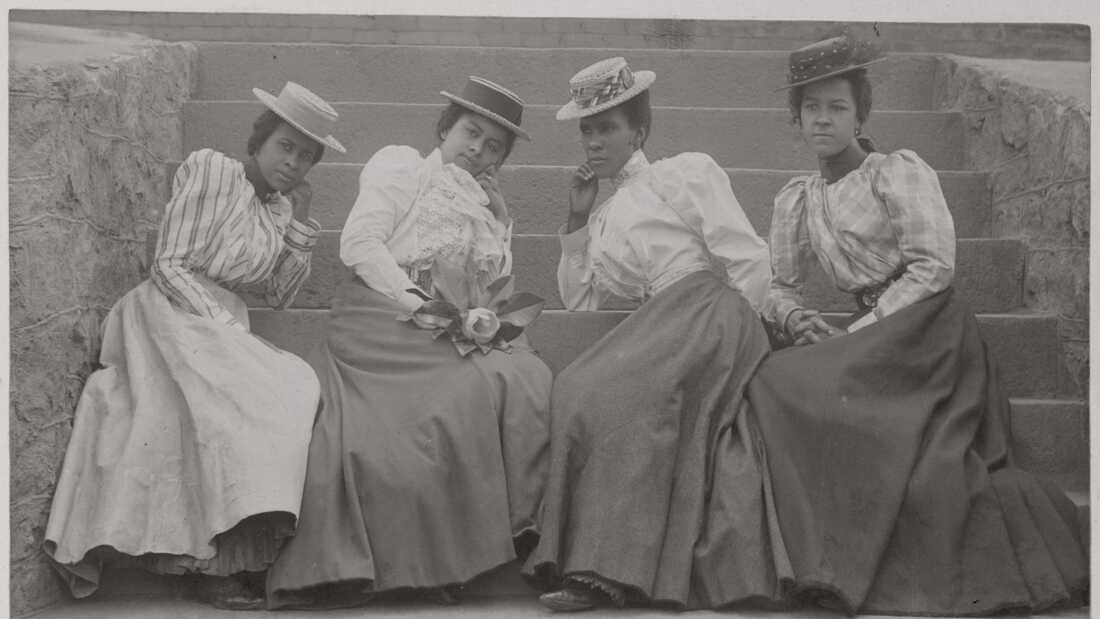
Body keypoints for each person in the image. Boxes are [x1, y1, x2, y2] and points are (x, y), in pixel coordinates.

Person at [747, 32, 1088, 615]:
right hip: (872, 332)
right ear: (795, 119)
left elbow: (933, 266)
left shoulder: (894, 172)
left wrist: (865, 331)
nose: (823, 120)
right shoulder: (795, 200)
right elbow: (779, 284)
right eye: (811, 108)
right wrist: (796, 316)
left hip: (925, 326)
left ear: (861, 114)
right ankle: (816, 555)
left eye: (837, 107)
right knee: (773, 380)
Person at [43, 82, 345, 609]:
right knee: (238, 398)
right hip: (167, 310)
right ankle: (207, 565)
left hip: (220, 323)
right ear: (259, 141)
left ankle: (223, 557)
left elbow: (276, 296)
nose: (293, 163)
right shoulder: (214, 171)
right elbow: (168, 263)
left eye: (306, 156)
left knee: (294, 385)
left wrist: (298, 228)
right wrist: (219, 330)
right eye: (285, 146)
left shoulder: (275, 211)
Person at [266, 76, 552, 609]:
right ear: (446, 127)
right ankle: (421, 561)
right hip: (384, 313)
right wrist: (416, 302)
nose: (477, 150)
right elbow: (359, 243)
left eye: (494, 146)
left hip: (449, 321)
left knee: (524, 377)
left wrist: (502, 222)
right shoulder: (403, 168)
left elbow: (494, 282)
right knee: (452, 398)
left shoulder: (483, 201)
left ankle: (475, 549)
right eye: (470, 132)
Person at [524, 57, 782, 612]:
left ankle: (605, 573)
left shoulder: (681, 174)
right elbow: (581, 300)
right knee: (576, 388)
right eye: (587, 130)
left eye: (607, 128)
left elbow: (748, 255)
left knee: (625, 399)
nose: (594, 142)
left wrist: (749, 334)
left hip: (709, 311)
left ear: (638, 131)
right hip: (656, 323)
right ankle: (586, 557)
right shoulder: (604, 215)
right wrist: (576, 221)